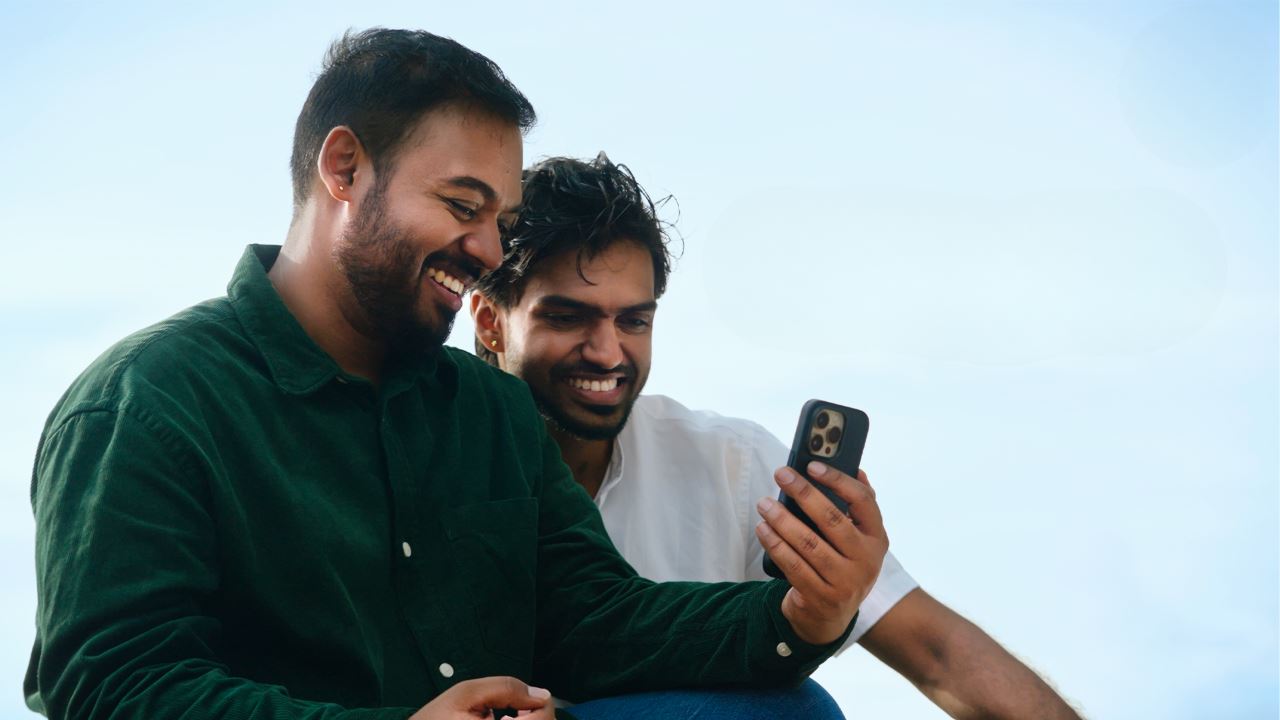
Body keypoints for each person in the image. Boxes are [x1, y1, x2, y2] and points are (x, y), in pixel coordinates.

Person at [25, 30, 889, 720]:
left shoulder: (492, 412)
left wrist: (794, 619)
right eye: (462, 206)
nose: (486, 250)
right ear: (344, 169)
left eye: (500, 223)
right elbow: (116, 686)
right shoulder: (144, 403)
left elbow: (595, 621)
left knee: (789, 709)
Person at [470, 153, 1084, 720]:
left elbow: (939, 654)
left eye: (634, 320)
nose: (608, 352)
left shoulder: (732, 464)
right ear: (491, 322)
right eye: (568, 316)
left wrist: (835, 596)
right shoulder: (430, 454)